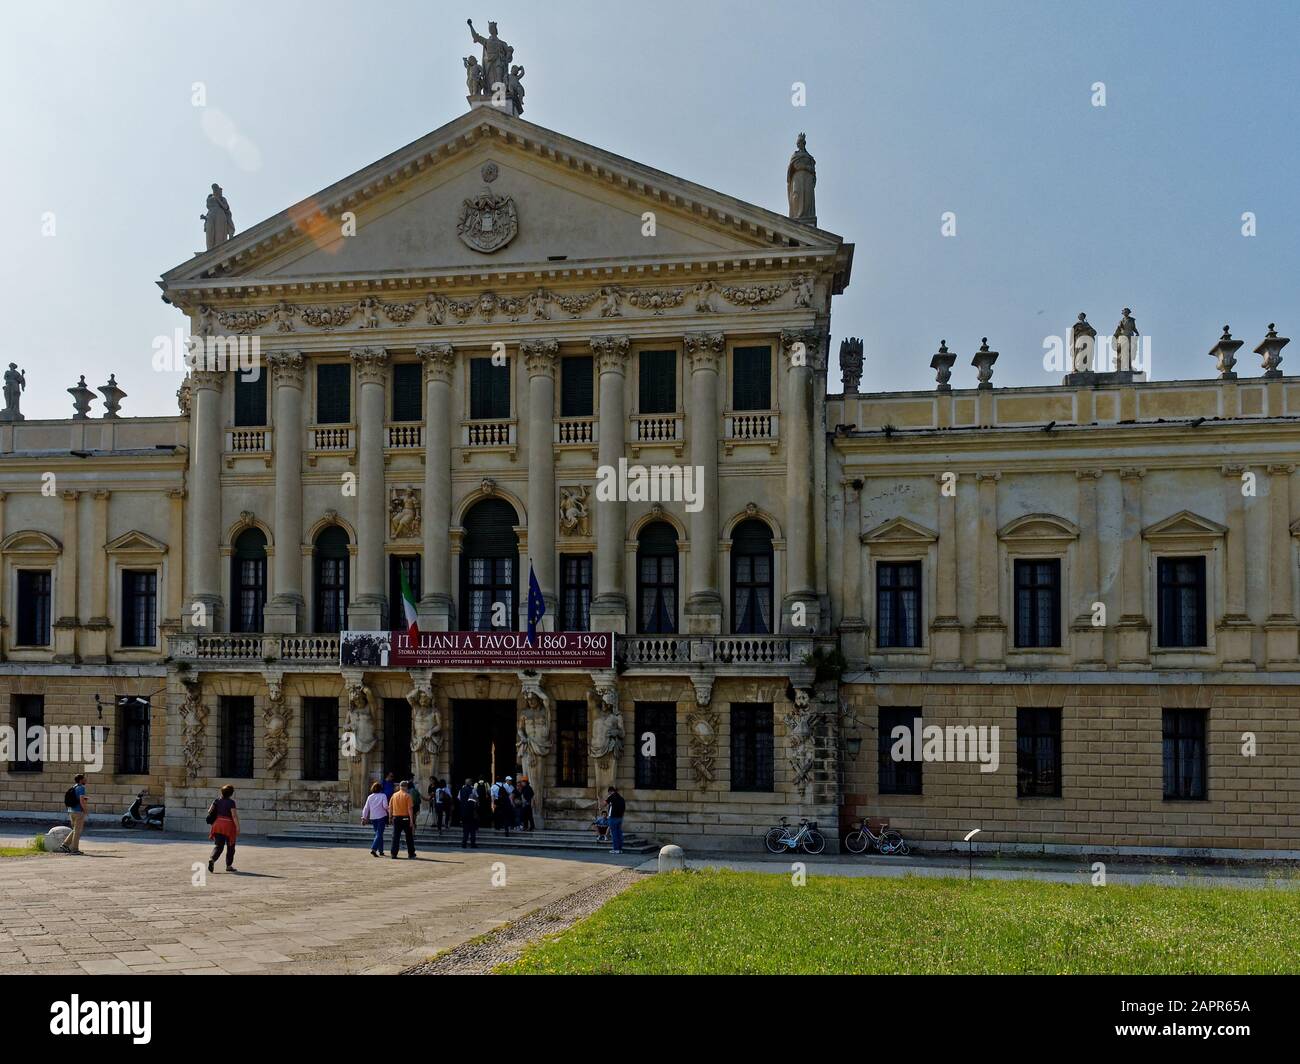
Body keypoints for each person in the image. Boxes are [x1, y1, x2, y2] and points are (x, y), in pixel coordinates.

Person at [206, 784, 240, 873]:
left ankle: (212, 859)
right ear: (231, 794)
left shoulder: (216, 800)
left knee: (218, 846)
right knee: (231, 846)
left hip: (217, 824)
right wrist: (237, 827)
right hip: (228, 825)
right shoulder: (231, 802)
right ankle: (229, 865)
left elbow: (209, 811)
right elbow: (234, 815)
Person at [389, 780, 416, 859]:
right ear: (406, 787)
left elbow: (390, 807)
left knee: (395, 836)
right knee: (409, 836)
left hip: (396, 818)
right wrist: (411, 820)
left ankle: (394, 853)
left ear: (400, 787)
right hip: (405, 818)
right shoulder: (407, 796)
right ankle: (411, 853)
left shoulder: (394, 795)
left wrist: (390, 817)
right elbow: (410, 809)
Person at [361, 781, 389, 857]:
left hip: (373, 817)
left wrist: (364, 817)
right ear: (380, 789)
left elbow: (366, 808)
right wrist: (390, 810)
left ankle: (381, 851)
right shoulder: (383, 796)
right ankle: (374, 849)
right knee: (379, 834)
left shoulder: (370, 797)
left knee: (379, 834)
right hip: (381, 816)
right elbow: (385, 806)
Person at [62, 773, 87, 854]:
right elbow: (81, 800)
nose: (85, 780)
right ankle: (74, 849)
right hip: (78, 811)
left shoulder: (74, 787)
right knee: (77, 831)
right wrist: (85, 810)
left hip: (71, 811)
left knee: (75, 830)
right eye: (84, 779)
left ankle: (65, 845)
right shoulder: (81, 788)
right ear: (81, 780)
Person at [459, 778, 479, 849]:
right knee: (472, 829)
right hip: (471, 812)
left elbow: (459, 799)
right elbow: (475, 801)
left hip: (463, 812)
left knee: (465, 829)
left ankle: (464, 843)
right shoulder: (473, 790)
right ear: (470, 783)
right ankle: (472, 844)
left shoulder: (461, 790)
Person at [605, 785, 626, 855]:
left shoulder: (612, 796)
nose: (608, 794)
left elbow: (604, 803)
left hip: (613, 818)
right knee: (619, 833)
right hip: (620, 818)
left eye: (609, 793)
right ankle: (619, 849)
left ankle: (616, 849)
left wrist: (600, 806)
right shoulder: (622, 798)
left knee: (614, 834)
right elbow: (623, 809)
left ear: (611, 791)